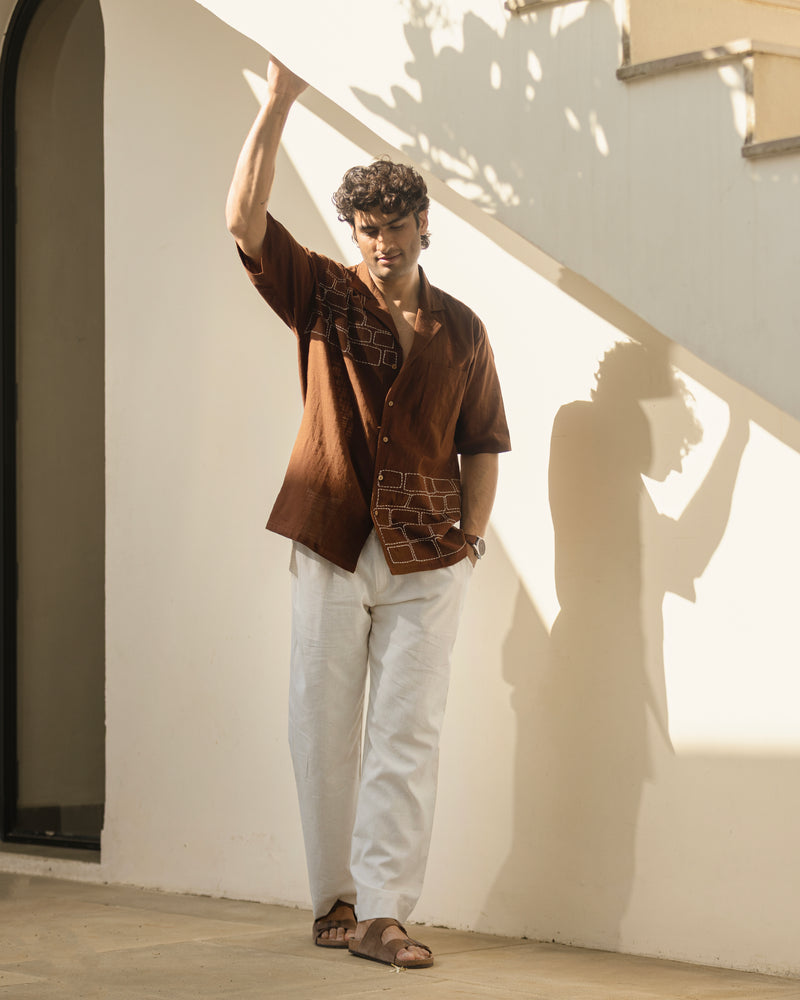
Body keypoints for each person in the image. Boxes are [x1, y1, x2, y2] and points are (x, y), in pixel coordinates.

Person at [226, 56, 511, 969]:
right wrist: (275, 104)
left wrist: (469, 539)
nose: (381, 242)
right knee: (321, 723)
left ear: (424, 226)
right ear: (351, 232)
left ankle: (385, 913)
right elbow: (241, 220)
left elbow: (483, 443)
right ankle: (335, 899)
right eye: (365, 227)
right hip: (334, 540)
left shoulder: (462, 330)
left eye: (395, 226)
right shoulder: (321, 293)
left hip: (429, 555)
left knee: (407, 733)